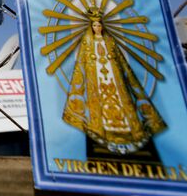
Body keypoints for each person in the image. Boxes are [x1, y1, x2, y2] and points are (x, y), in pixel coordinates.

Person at [62, 10, 167, 156]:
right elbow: (81, 64)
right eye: (95, 26)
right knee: (99, 108)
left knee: (124, 105)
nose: (97, 28)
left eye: (99, 25)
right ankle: (102, 135)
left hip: (115, 79)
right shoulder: (87, 42)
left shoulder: (110, 40)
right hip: (97, 79)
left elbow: (122, 63)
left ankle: (132, 136)